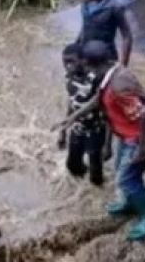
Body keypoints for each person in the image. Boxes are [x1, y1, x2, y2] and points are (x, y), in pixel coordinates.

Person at [76, 40, 145, 241]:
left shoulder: (119, 85)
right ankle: (130, 202)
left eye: (86, 66)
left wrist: (143, 147)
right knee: (121, 171)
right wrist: (73, 117)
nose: (86, 70)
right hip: (127, 133)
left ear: (93, 64)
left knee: (127, 178)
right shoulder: (110, 74)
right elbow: (99, 101)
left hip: (140, 136)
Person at [58, 43, 106, 187]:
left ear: (83, 60)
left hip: (95, 130)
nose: (68, 66)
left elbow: (105, 107)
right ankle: (81, 192)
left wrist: (108, 144)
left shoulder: (95, 78)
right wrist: (63, 131)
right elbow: (71, 102)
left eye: (72, 61)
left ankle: (98, 191)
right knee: (72, 167)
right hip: (77, 128)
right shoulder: (69, 78)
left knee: (96, 175)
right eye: (65, 62)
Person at [76, 0, 133, 65]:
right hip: (86, 57)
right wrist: (75, 46)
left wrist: (123, 64)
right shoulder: (85, 4)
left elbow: (127, 36)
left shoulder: (114, 7)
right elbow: (85, 26)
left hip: (106, 59)